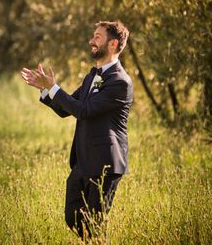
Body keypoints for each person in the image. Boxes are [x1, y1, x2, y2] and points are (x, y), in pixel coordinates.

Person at [20, 21, 133, 239]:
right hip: (82, 161)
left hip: (106, 165)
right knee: (72, 219)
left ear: (113, 44)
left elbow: (84, 110)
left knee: (95, 227)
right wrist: (46, 90)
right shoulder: (92, 76)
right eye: (93, 35)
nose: (91, 41)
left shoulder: (121, 82)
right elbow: (67, 108)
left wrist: (54, 88)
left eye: (98, 37)